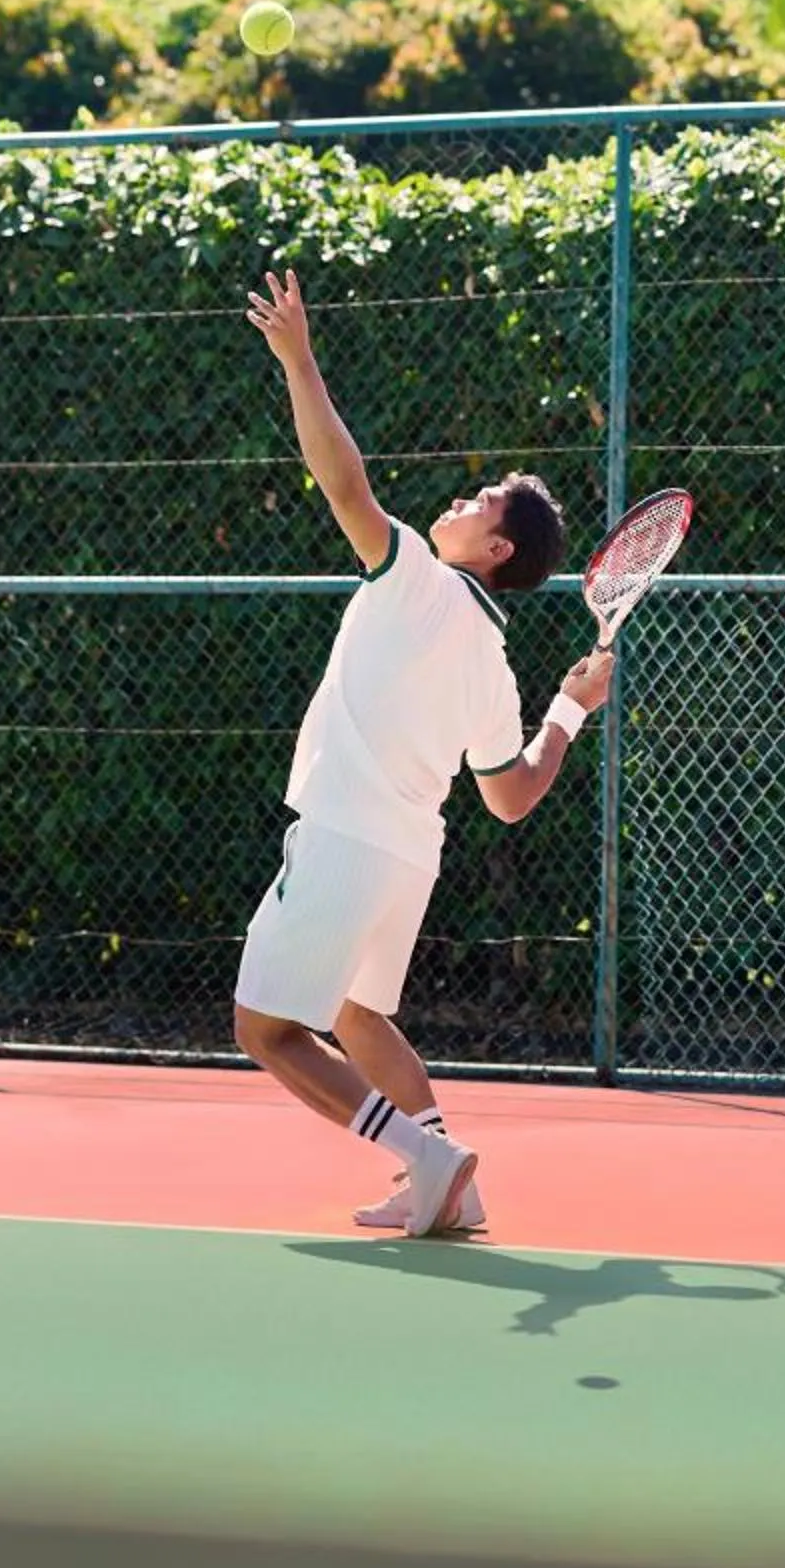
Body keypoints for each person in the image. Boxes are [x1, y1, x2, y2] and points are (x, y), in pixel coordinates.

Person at [235, 271, 614, 1237]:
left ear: (494, 550)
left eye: (483, 501)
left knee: (267, 1031)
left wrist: (299, 358)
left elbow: (342, 483)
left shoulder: (413, 577)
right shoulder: (492, 659)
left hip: (346, 842)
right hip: (407, 858)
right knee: (359, 1020)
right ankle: (452, 1185)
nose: (464, 497)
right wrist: (567, 712)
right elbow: (511, 796)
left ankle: (423, 1155)